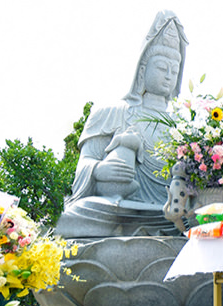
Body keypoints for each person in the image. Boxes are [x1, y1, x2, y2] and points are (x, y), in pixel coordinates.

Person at [55, 10, 188, 238]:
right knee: (82, 211)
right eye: (161, 68)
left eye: (174, 71)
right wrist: (98, 170)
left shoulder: (183, 127)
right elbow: (85, 161)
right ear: (142, 70)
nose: (168, 75)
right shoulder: (111, 112)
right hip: (118, 208)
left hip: (169, 213)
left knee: (200, 217)